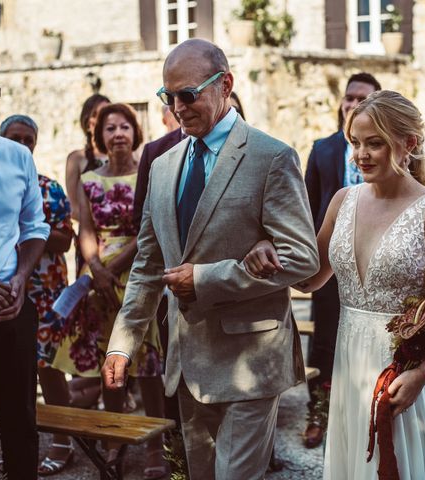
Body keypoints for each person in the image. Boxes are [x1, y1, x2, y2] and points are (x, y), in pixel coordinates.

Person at [245, 90, 425, 479]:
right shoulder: (342, 201)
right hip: (352, 360)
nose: (361, 154)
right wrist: (266, 247)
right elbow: (309, 278)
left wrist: (421, 375)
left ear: (409, 144)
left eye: (375, 143)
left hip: (410, 371)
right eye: (355, 143)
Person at [101, 39, 319, 480]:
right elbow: (147, 263)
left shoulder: (271, 157)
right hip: (185, 366)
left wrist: (209, 278)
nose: (178, 107)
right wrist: (123, 342)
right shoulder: (162, 166)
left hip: (251, 362)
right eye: (169, 97)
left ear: (225, 84)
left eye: (188, 94)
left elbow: (302, 258)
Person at [53, 103, 168, 479]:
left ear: (135, 133)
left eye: (124, 127)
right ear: (98, 136)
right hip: (98, 279)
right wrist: (96, 270)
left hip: (137, 273)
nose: (117, 134)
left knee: (148, 365)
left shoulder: (148, 175)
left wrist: (112, 270)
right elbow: (85, 230)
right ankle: (114, 441)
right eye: (109, 128)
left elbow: (148, 230)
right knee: (109, 366)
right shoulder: (89, 179)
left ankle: (156, 445)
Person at [302, 72, 381, 448]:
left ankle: (367, 408)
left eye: (362, 98)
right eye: (349, 98)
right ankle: (318, 411)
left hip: (379, 266)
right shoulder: (323, 150)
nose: (352, 104)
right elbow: (306, 209)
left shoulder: (390, 156)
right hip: (330, 263)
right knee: (323, 342)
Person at [0, 114, 76, 476]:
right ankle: (12, 445)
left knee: (48, 369)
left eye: (29, 139)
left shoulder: (49, 187)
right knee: (7, 374)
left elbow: (64, 239)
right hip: (2, 288)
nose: (23, 144)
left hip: (44, 289)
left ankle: (62, 443)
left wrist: (32, 231)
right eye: (16, 137)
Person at [0, 65, 50, 480]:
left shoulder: (17, 157)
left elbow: (35, 226)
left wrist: (23, 276)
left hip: (10, 309)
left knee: (19, 422)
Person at [65, 93, 111, 221]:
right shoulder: (76, 159)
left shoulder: (126, 156)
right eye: (103, 115)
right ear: (89, 123)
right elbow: (73, 207)